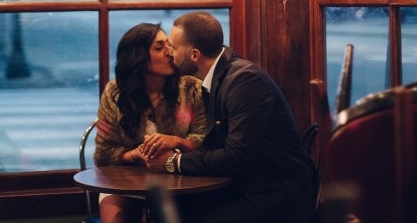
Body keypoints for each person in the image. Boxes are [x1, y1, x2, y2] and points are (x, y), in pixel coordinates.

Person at [146, 11, 315, 223]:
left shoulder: (244, 81)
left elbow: (236, 157)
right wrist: (180, 145)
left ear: (195, 55)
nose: (169, 53)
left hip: (276, 195)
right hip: (246, 187)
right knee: (165, 204)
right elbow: (218, 147)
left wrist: (173, 161)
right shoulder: (218, 77)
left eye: (173, 46)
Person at [94, 22, 206, 223]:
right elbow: (103, 153)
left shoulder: (191, 89)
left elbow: (205, 139)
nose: (169, 52)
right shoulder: (115, 93)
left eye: (169, 45)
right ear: (138, 57)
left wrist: (177, 142)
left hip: (179, 182)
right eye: (159, 47)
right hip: (126, 182)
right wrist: (134, 155)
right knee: (115, 215)